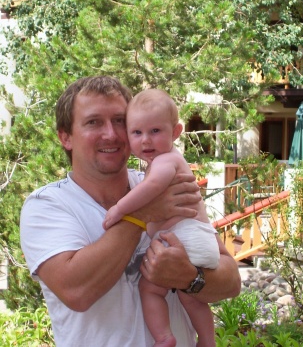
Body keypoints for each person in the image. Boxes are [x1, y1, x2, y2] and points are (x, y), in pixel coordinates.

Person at [20, 75, 241, 347]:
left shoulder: (162, 184)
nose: (111, 134)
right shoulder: (47, 205)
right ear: (66, 137)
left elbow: (231, 280)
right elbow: (77, 291)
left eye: (119, 121)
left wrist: (190, 278)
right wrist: (142, 214)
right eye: (93, 122)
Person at [103, 88, 220, 347]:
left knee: (150, 289)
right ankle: (208, 341)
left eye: (155, 131)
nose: (146, 141)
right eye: (137, 132)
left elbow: (153, 188)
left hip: (186, 237)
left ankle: (164, 336)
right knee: (190, 297)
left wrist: (121, 209)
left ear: (176, 133)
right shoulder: (166, 159)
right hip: (198, 237)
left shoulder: (166, 160)